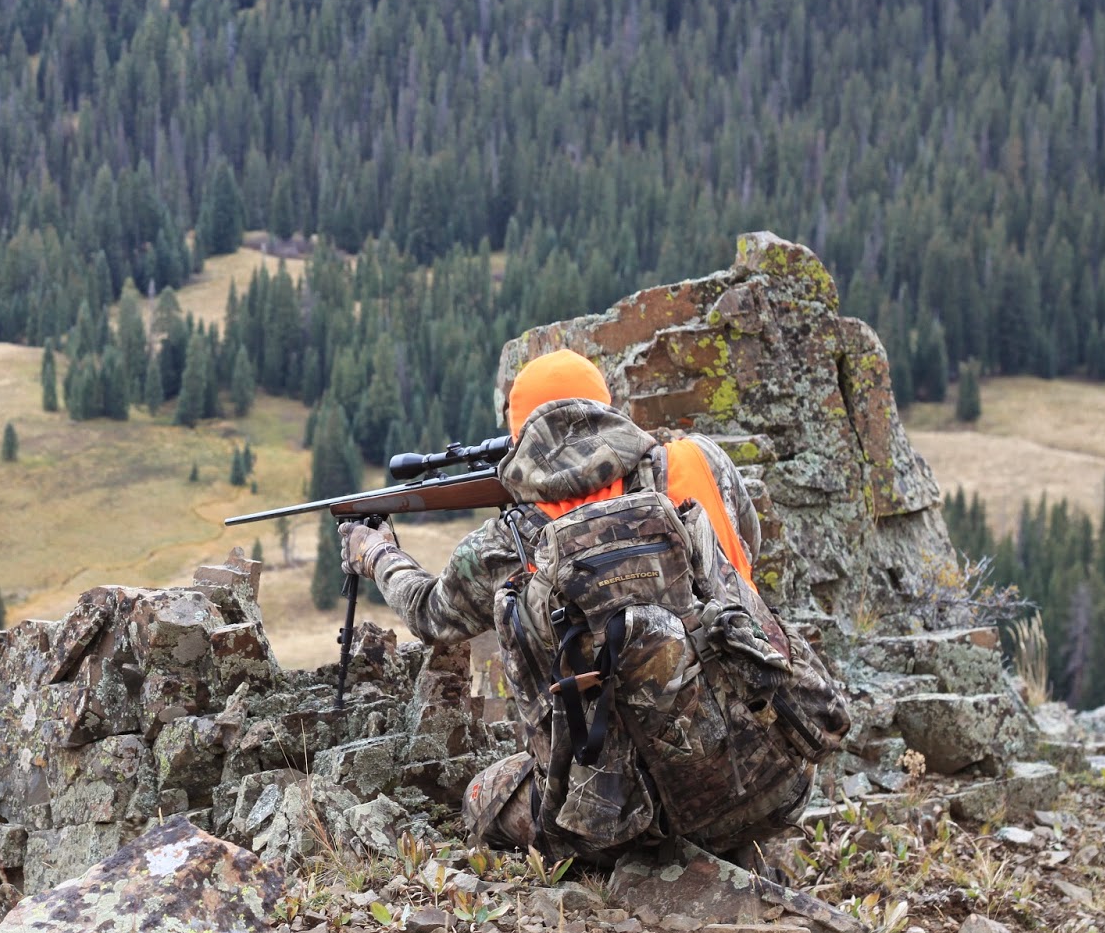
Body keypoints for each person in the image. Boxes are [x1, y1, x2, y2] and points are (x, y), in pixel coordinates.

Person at [338, 349, 848, 864]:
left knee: (480, 799)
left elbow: (430, 613)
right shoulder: (699, 461)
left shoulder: (505, 541)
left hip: (622, 826)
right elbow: (745, 554)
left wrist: (374, 551)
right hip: (772, 780)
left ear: (520, 437)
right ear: (606, 408)